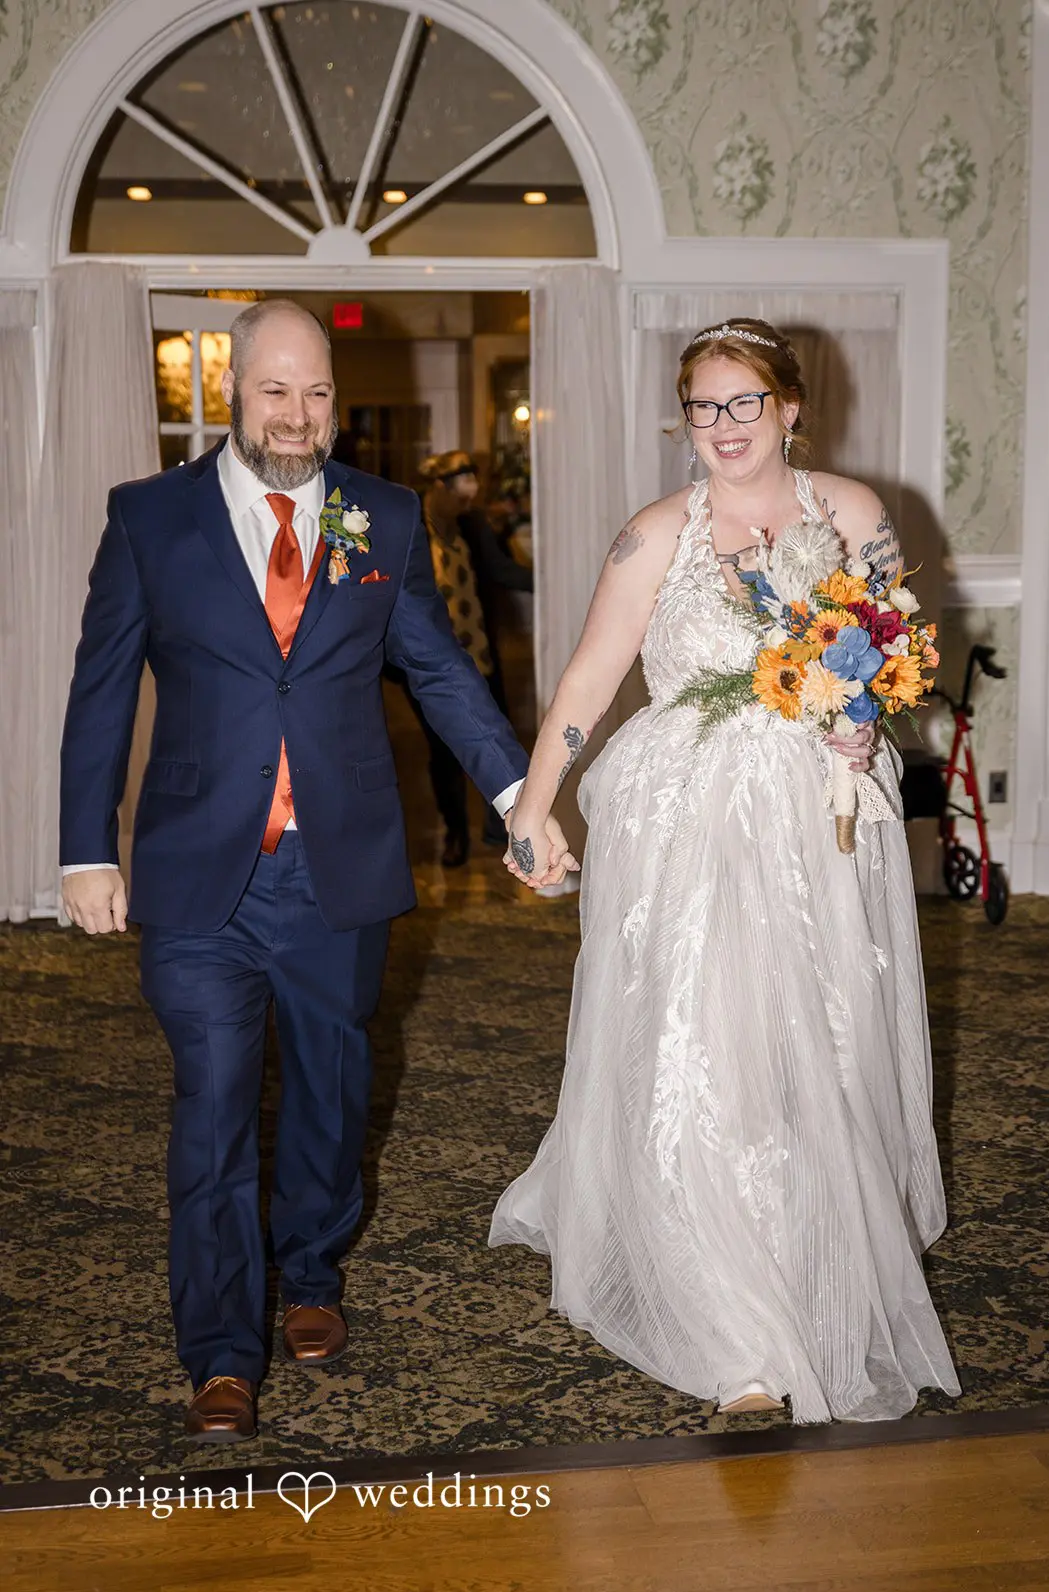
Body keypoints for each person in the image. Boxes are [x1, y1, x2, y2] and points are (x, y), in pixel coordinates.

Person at [59, 299, 574, 1444]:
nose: (297, 416)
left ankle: (309, 1271)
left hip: (337, 866)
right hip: (200, 875)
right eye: (274, 391)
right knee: (212, 1105)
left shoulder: (378, 515)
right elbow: (101, 689)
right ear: (231, 393)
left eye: (317, 392)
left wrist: (517, 800)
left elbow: (436, 670)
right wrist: (87, 846)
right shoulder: (151, 517)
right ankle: (218, 1351)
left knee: (331, 1094)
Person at [490, 318, 960, 1424]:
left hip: (817, 825)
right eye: (702, 407)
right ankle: (735, 1332)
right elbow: (589, 678)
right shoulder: (652, 537)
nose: (723, 425)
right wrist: (533, 805)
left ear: (788, 408)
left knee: (816, 1051)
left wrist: (864, 719)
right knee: (707, 1053)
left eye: (743, 401)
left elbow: (897, 651)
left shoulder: (853, 515)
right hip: (688, 831)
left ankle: (811, 1263)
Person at [411, 450, 533, 867]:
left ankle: (498, 826)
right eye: (461, 495)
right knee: (443, 750)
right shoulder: (412, 523)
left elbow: (500, 570)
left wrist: (550, 579)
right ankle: (455, 834)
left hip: (478, 652)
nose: (468, 503)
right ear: (439, 487)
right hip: (431, 659)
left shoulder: (472, 523)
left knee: (495, 735)